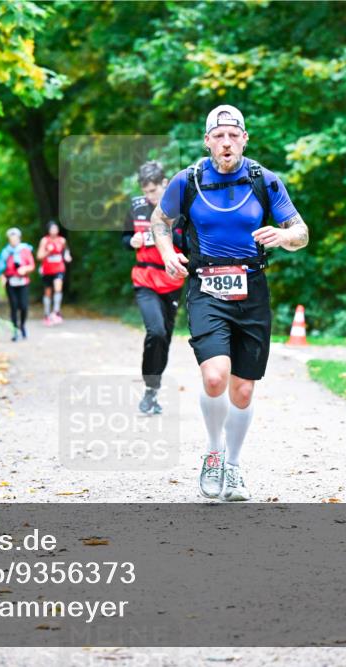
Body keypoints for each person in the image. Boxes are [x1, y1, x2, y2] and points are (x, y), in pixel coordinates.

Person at [149, 105, 310, 501]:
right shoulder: (187, 181)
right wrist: (167, 253)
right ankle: (214, 453)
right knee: (215, 377)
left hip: (252, 289)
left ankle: (234, 468)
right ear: (207, 141)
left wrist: (285, 237)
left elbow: (302, 232)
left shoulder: (264, 180)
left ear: (244, 139)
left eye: (232, 135)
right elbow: (159, 221)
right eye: (218, 136)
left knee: (242, 390)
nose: (226, 142)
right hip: (206, 287)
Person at [122, 161, 186, 415]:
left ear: (165, 184)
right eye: (145, 191)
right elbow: (124, 240)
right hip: (145, 279)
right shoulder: (137, 209)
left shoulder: (181, 209)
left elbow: (189, 244)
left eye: (153, 191)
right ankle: (150, 387)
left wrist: (167, 233)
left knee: (165, 339)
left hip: (171, 282)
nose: (149, 197)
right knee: (156, 331)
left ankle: (153, 392)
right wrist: (132, 240)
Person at [0, 228, 36, 341]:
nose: (14, 241)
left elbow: (32, 265)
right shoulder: (5, 252)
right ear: (9, 240)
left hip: (23, 281)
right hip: (10, 281)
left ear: (19, 239)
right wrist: (2, 277)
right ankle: (15, 330)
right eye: (11, 239)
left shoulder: (25, 250)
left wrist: (25, 269)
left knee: (23, 306)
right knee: (14, 306)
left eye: (16, 239)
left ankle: (22, 325)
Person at [36, 221, 71, 325]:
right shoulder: (44, 240)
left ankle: (56, 312)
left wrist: (67, 256)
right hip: (47, 269)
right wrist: (48, 252)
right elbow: (39, 256)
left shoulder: (62, 240)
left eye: (56, 228)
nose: (54, 231)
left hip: (59, 268)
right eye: (52, 229)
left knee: (58, 288)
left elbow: (66, 251)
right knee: (48, 291)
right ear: (48, 230)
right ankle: (47, 314)